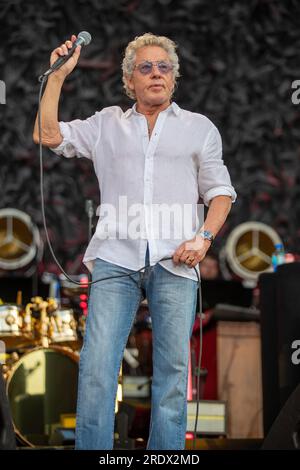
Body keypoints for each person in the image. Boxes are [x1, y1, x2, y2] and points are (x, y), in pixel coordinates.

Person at [33, 32, 236, 450]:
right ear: (130, 80)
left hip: (176, 262)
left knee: (172, 374)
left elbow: (221, 193)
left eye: (164, 67)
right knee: (96, 367)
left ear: (173, 78)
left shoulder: (200, 129)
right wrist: (57, 77)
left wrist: (203, 238)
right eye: (145, 67)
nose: (156, 73)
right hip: (114, 258)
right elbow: (47, 136)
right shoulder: (107, 123)